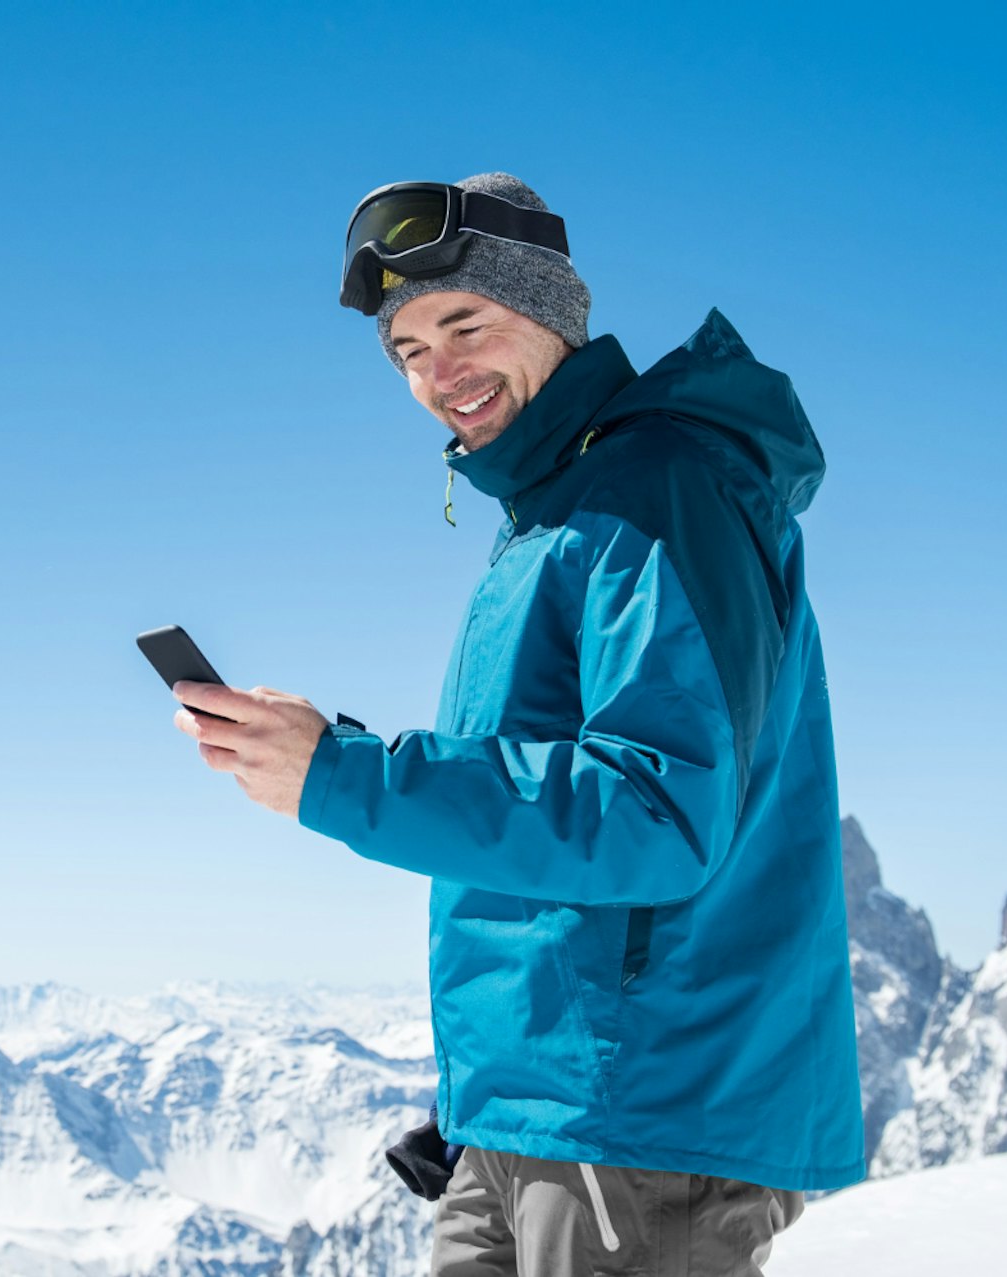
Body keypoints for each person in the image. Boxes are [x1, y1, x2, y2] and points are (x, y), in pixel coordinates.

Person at [170, 171, 864, 1275]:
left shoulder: (656, 493)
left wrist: (344, 773)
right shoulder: (555, 514)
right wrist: (482, 1094)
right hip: (536, 1116)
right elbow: (539, 830)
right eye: (406, 352)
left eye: (464, 325)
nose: (439, 373)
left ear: (551, 312)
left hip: (633, 1119)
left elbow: (654, 809)